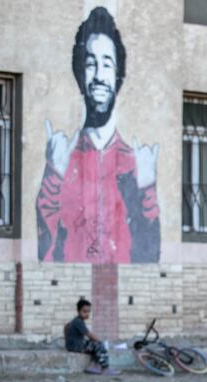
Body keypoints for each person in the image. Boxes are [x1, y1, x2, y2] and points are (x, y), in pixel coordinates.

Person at [36, 6, 160, 264]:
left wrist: (147, 188)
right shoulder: (63, 159)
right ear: (80, 75)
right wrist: (53, 176)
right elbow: (46, 252)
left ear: (118, 76)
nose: (100, 76)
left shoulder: (134, 162)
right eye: (91, 64)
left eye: (107, 64)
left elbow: (149, 255)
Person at [65, 298, 119, 376]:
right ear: (78, 311)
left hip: (73, 345)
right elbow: (89, 334)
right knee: (99, 345)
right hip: (77, 346)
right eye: (84, 311)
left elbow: (66, 326)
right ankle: (105, 368)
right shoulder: (78, 321)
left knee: (94, 345)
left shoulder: (75, 321)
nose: (87, 314)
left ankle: (93, 366)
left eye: (88, 312)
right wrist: (100, 342)